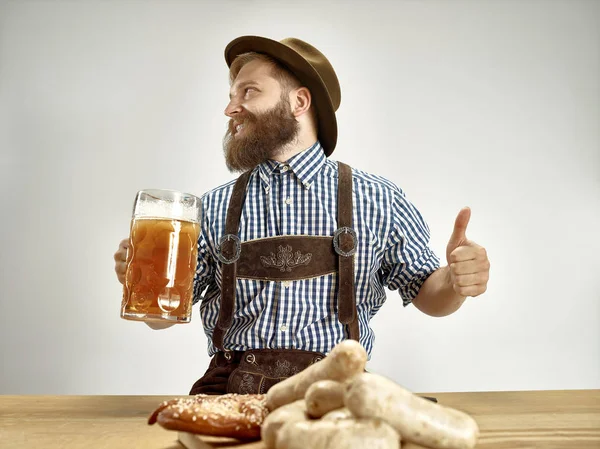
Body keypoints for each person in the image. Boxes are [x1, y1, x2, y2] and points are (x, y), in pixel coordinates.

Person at [113, 36, 490, 395]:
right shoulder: (211, 207)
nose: (230, 109)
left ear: (299, 102)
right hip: (228, 387)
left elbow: (428, 294)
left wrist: (456, 282)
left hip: (337, 388)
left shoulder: (378, 198)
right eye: (231, 96)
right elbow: (164, 314)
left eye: (249, 91)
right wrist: (142, 279)